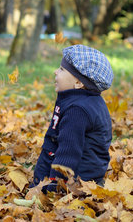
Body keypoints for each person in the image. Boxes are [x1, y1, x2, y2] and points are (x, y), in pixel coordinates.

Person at [31, 44, 113, 192]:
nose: (56, 72)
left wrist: (54, 188)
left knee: (47, 189)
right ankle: (40, 183)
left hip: (80, 177)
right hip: (85, 169)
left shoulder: (77, 110)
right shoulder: (80, 99)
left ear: (78, 83)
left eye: (62, 70)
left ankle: (52, 188)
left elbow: (68, 152)